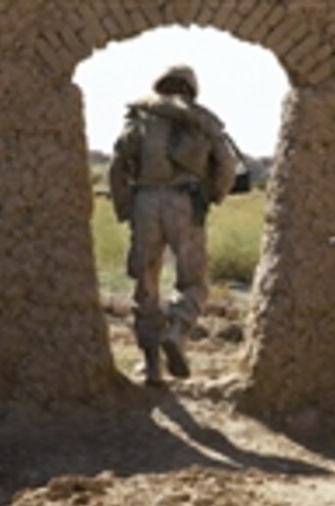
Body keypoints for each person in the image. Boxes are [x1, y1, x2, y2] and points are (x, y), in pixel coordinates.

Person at [109, 64, 238, 385]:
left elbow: (116, 167)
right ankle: (178, 331)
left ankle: (152, 367)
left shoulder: (141, 118)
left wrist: (127, 207)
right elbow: (227, 164)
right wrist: (212, 195)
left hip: (145, 203)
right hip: (185, 201)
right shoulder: (201, 119)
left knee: (146, 284)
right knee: (193, 281)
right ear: (191, 88)